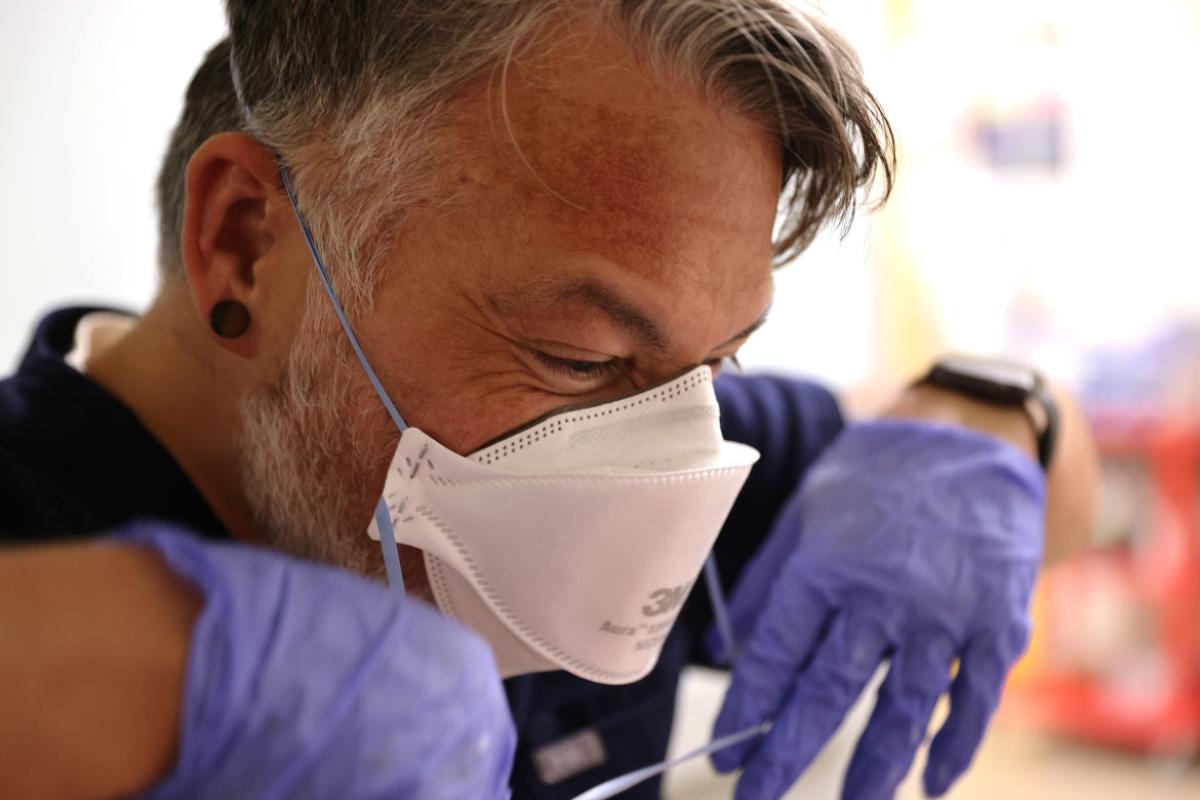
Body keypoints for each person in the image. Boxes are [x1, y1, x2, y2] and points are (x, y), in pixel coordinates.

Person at [0, 1, 1099, 799]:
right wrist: (172, 673)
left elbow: (1058, 500)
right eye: (581, 357)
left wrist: (994, 423)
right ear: (244, 243)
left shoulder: (661, 446)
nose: (666, 468)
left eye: (720, 360)